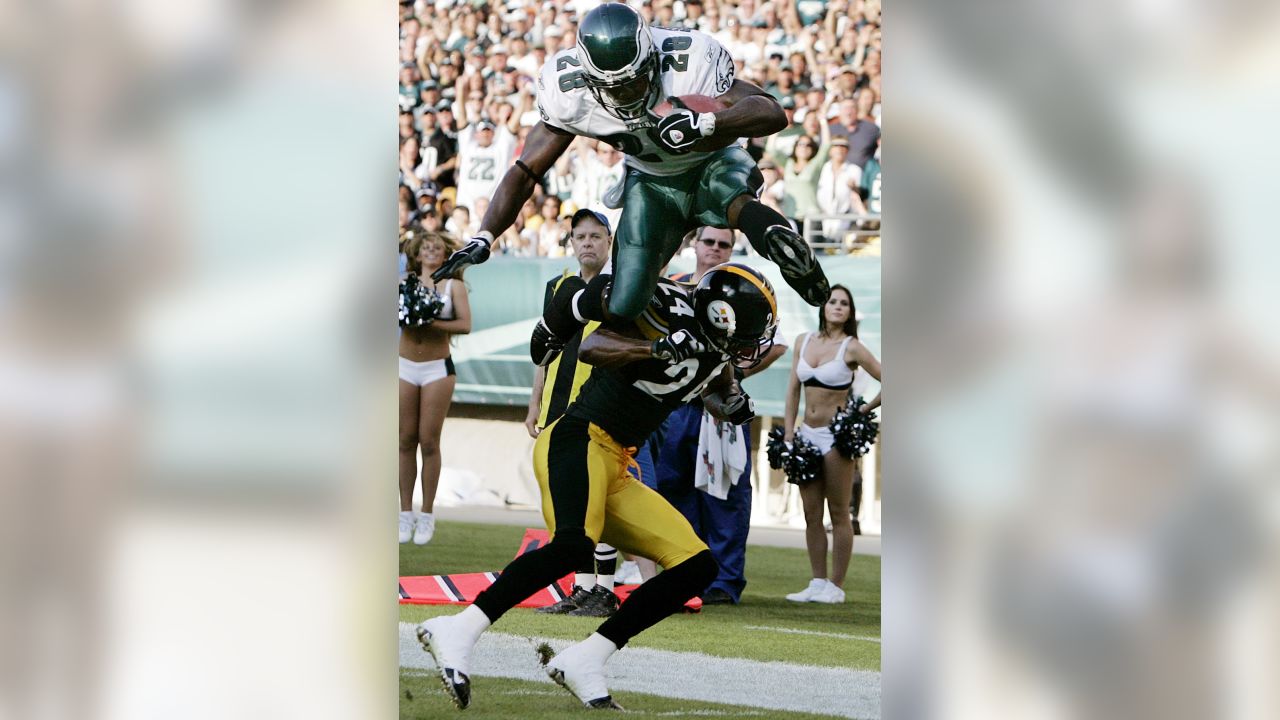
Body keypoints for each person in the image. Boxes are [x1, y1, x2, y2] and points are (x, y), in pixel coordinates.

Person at [418, 263, 778, 710]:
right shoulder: (667, 309)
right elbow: (594, 345)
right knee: (572, 547)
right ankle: (460, 628)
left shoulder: (714, 352)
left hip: (616, 463)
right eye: (749, 332)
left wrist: (732, 404)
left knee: (697, 566)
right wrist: (657, 347)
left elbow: (713, 386)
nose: (751, 345)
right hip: (579, 436)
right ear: (722, 315)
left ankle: (587, 658)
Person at [432, 2, 830, 322]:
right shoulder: (567, 92)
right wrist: (484, 235)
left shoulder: (688, 62)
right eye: (614, 86)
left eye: (635, 79)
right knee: (625, 302)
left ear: (651, 57)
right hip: (651, 181)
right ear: (588, 76)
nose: (626, 93)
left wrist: (707, 122)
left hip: (710, 158)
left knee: (733, 198)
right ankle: (664, 313)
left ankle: (786, 249)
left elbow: (773, 113)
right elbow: (527, 170)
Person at [653, 227, 789, 605]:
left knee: (725, 493)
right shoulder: (673, 285)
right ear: (694, 244)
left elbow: (777, 344)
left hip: (721, 406)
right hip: (677, 403)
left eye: (723, 244)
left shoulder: (745, 288)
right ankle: (684, 573)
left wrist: (734, 373)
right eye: (708, 241)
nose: (714, 249)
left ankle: (724, 582)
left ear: (733, 249)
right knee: (673, 488)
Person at [524, 209, 631, 618]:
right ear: (571, 243)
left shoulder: (624, 287)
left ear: (609, 241)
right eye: (580, 236)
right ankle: (582, 588)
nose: (587, 242)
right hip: (556, 405)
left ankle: (604, 589)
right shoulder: (559, 286)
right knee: (566, 500)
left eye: (595, 236)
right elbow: (545, 349)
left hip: (600, 409)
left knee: (596, 498)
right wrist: (534, 401)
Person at [782, 285, 881, 603]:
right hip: (806, 435)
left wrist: (863, 411)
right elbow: (793, 390)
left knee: (838, 512)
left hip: (835, 437)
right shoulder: (803, 341)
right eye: (832, 301)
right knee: (811, 513)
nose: (837, 307)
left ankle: (836, 587)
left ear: (850, 312)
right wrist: (788, 432)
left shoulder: (851, 347)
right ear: (823, 307)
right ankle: (817, 581)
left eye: (844, 304)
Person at [399, 230, 472, 545]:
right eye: (426, 247)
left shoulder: (453, 286)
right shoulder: (402, 282)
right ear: (417, 253)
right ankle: (404, 514)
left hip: (437, 368)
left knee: (429, 440)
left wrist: (430, 322)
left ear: (446, 255)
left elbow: (465, 324)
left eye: (437, 247)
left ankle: (427, 514)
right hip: (402, 365)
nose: (431, 251)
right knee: (404, 439)